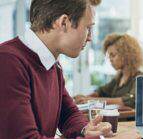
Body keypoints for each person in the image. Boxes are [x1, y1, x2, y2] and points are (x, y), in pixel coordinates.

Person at [0, 0, 114, 138]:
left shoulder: (53, 65)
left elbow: (68, 114)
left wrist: (86, 130)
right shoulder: (8, 61)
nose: (90, 37)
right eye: (88, 28)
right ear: (64, 22)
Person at [74, 34, 143, 109]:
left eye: (113, 55)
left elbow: (129, 100)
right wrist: (84, 98)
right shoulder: (119, 77)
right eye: (109, 56)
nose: (110, 59)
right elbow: (102, 91)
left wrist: (90, 100)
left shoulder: (139, 78)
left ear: (126, 55)